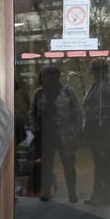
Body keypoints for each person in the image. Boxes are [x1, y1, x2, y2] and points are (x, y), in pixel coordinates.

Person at [28, 65, 82, 202]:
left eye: (48, 76)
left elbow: (77, 113)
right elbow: (32, 114)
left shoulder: (67, 92)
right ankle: (46, 190)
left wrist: (76, 134)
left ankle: (72, 193)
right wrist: (35, 128)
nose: (45, 79)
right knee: (46, 165)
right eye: (43, 76)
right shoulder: (38, 93)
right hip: (46, 136)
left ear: (56, 77)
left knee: (69, 164)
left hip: (65, 135)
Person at [82, 59, 110, 206]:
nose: (91, 72)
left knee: (105, 163)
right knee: (99, 164)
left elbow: (108, 112)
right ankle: (98, 193)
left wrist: (103, 132)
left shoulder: (107, 86)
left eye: (93, 69)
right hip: (96, 132)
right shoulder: (97, 85)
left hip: (104, 133)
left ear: (100, 70)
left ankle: (104, 194)